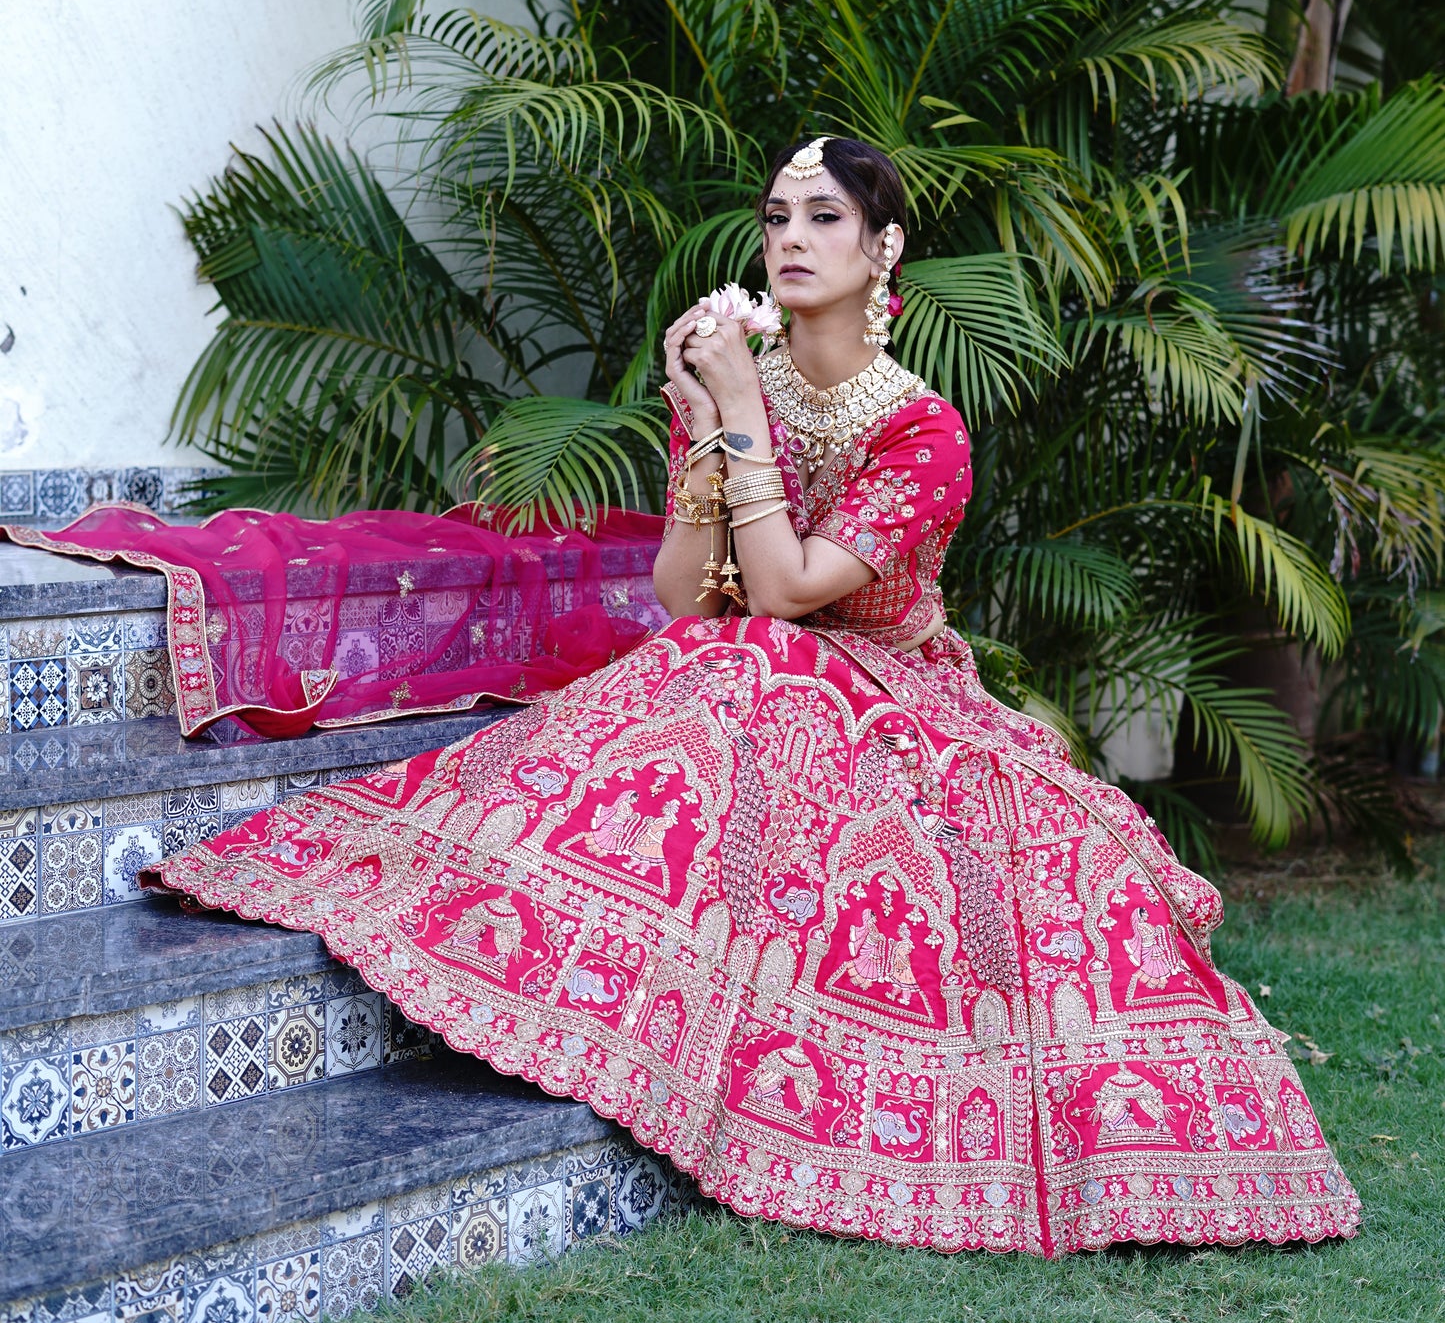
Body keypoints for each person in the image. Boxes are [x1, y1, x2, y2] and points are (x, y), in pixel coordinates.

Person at [149, 136, 1359, 1255]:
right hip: (756, 668)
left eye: (822, 215)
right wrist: (700, 421)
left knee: (747, 671)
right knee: (708, 670)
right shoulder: (750, 386)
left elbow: (783, 592)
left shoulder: (923, 434)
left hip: (895, 694)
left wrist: (734, 413)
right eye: (776, 214)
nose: (789, 236)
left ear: (882, 250)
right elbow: (689, 591)